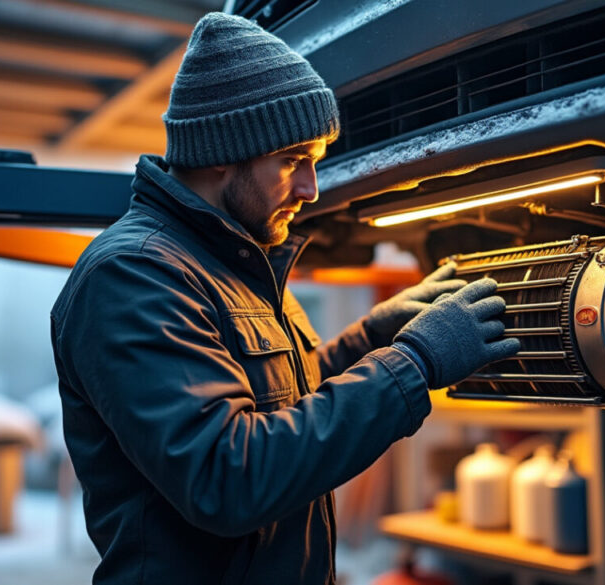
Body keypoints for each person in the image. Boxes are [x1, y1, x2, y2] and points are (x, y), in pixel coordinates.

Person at [50, 12, 519, 585]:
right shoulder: (133, 275)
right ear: (222, 151)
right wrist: (414, 363)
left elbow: (279, 403)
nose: (310, 189)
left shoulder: (237, 261)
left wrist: (373, 338)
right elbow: (228, 477)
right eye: (294, 160)